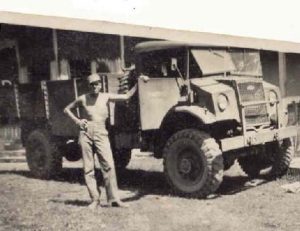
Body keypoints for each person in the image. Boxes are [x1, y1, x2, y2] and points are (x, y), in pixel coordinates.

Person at [64, 73, 137, 209]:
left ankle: (113, 199)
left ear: (101, 84)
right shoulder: (83, 99)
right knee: (88, 168)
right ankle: (95, 199)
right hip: (86, 132)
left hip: (101, 132)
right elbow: (67, 109)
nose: (94, 86)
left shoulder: (106, 96)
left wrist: (139, 83)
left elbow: (126, 96)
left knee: (108, 165)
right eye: (92, 84)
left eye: (97, 83)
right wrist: (78, 121)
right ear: (88, 86)